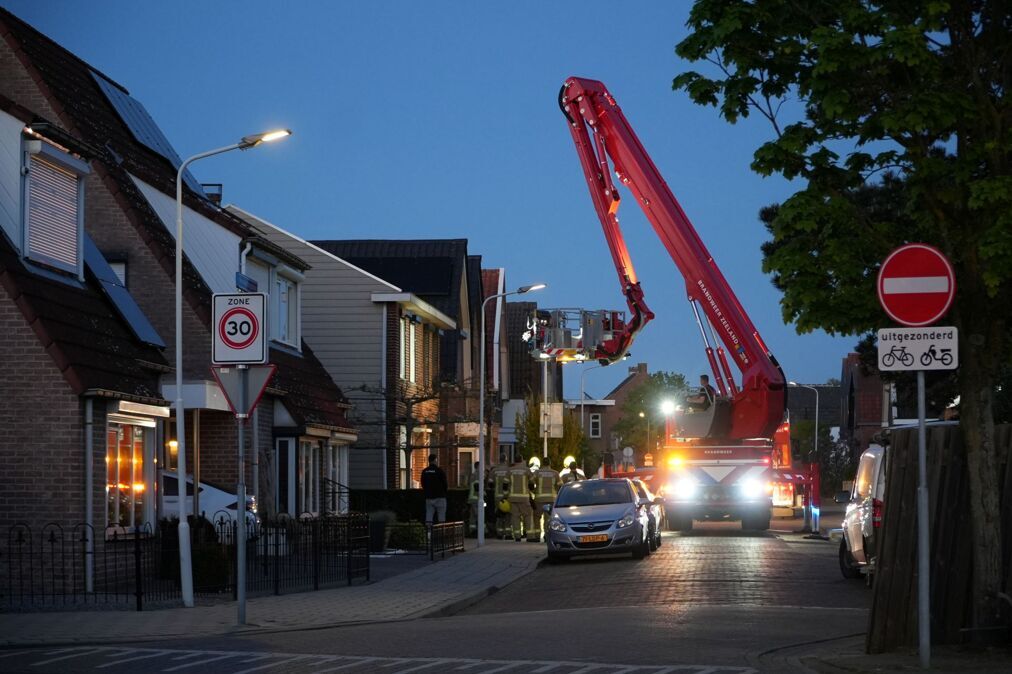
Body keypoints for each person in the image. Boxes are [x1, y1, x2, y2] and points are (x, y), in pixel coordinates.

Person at [531, 459, 562, 542]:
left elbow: (530, 483)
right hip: (551, 499)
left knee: (536, 517)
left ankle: (537, 536)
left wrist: (534, 491)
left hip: (539, 499)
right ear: (550, 463)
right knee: (548, 519)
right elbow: (560, 485)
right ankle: (547, 536)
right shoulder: (555, 473)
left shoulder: (537, 473)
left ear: (542, 464)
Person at [508, 455, 533, 541]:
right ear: (522, 460)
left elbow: (505, 483)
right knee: (527, 516)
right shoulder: (526, 470)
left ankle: (517, 536)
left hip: (513, 498)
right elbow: (532, 482)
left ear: (514, 461)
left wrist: (505, 495)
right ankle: (529, 536)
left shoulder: (510, 470)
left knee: (515, 517)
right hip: (524, 498)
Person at [420, 454, 448, 526]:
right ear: (435, 460)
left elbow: (423, 483)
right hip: (440, 497)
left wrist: (427, 492)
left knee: (429, 517)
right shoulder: (439, 471)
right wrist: (444, 493)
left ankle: (428, 534)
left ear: (429, 461)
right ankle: (441, 534)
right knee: (441, 518)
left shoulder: (425, 471)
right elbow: (445, 483)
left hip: (429, 497)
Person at [466, 461, 482, 537]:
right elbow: (477, 487)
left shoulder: (472, 474)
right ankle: (482, 531)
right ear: (478, 466)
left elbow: (469, 485)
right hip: (477, 498)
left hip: (471, 498)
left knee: (472, 516)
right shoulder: (478, 475)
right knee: (479, 515)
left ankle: (472, 531)